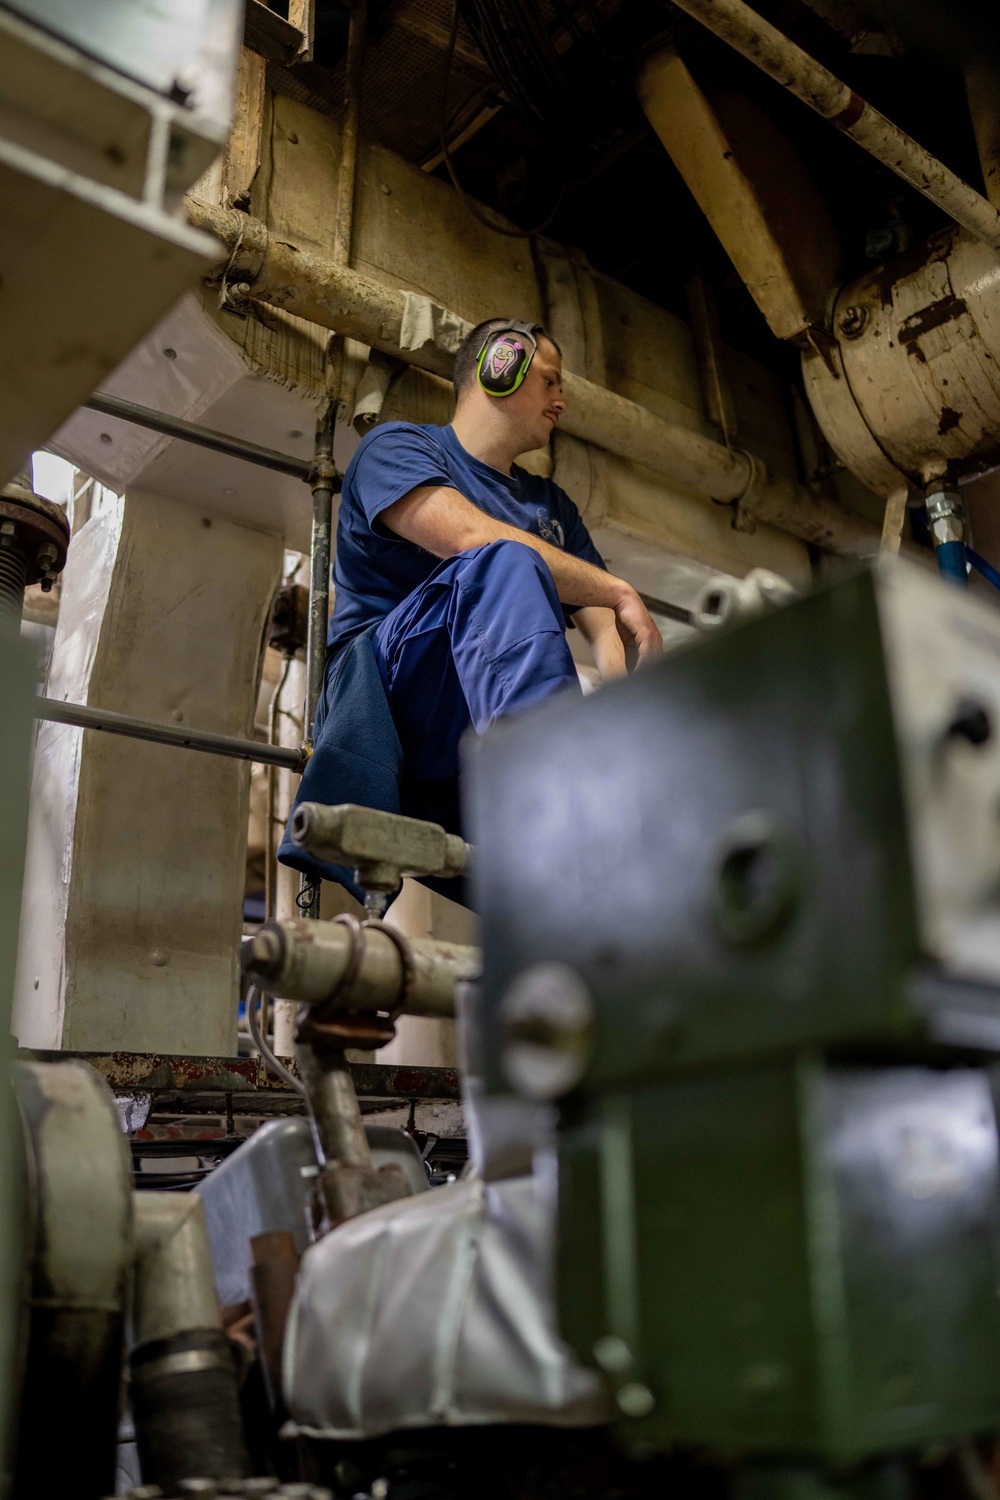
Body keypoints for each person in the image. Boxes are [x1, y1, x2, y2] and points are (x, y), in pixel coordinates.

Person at [278, 316, 662, 901]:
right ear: (499, 365)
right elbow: (465, 537)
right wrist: (618, 589)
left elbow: (605, 627)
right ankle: (549, 789)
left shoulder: (550, 505)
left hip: (475, 722)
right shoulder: (399, 446)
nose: (561, 402)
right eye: (552, 381)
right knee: (505, 561)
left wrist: (626, 712)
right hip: (395, 696)